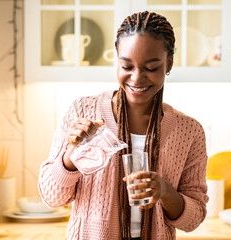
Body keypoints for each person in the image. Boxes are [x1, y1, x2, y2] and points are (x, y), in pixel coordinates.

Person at [38, 10, 208, 240]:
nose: (137, 78)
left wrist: (165, 191)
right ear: (116, 60)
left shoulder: (189, 131)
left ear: (169, 63)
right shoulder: (83, 111)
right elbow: (52, 197)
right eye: (127, 66)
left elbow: (194, 219)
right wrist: (71, 156)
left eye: (151, 68)